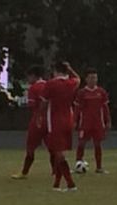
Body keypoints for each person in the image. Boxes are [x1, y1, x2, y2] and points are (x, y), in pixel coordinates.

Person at [40, 61, 80, 192]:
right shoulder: (71, 83)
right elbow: (78, 79)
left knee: (58, 154)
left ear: (55, 71)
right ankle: (56, 184)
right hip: (68, 119)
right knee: (58, 153)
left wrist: (39, 115)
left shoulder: (51, 84)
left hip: (55, 121)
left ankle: (70, 183)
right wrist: (71, 69)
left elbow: (44, 102)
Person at [12, 65, 53, 179]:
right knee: (52, 148)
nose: (28, 80)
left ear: (33, 76)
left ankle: (24, 172)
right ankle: (55, 171)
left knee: (30, 148)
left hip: (38, 120)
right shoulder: (49, 85)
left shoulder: (34, 88)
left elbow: (32, 105)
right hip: (50, 120)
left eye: (29, 77)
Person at [75, 68, 111, 174]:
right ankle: (78, 164)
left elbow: (105, 108)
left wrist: (108, 120)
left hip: (98, 123)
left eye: (95, 77)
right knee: (81, 143)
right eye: (91, 78)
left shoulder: (101, 92)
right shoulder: (82, 93)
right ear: (86, 79)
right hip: (85, 123)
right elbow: (77, 109)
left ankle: (99, 167)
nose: (93, 80)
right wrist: (75, 120)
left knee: (97, 144)